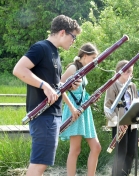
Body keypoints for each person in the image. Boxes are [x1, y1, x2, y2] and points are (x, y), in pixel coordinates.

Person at [12, 15, 82, 176]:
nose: (74, 41)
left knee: (41, 164)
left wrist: (67, 87)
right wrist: (44, 86)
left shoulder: (55, 53)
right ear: (63, 32)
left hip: (51, 115)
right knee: (39, 164)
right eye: (73, 37)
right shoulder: (41, 48)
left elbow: (54, 86)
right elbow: (19, 70)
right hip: (44, 116)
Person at [60, 43, 102, 176]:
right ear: (84, 56)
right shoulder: (73, 68)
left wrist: (92, 99)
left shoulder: (84, 69)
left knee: (96, 148)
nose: (95, 61)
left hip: (84, 109)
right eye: (93, 57)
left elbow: (80, 90)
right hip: (74, 109)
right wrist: (72, 108)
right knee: (75, 149)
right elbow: (59, 88)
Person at [104, 60, 138, 176]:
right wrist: (118, 122)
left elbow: (135, 103)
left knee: (131, 152)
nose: (130, 74)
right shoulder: (112, 85)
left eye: (131, 72)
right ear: (119, 71)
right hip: (119, 124)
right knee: (121, 153)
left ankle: (125, 174)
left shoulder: (132, 86)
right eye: (127, 71)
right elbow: (107, 108)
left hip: (132, 123)